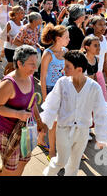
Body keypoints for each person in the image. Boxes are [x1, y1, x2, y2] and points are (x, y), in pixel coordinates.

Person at [40, 50, 107, 176]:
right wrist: (44, 124)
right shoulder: (62, 83)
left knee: (74, 164)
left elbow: (100, 112)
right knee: (61, 160)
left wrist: (102, 136)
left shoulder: (94, 87)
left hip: (83, 131)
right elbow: (52, 104)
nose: (63, 69)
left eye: (67, 67)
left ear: (79, 69)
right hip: (63, 129)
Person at [0, 45, 47, 176]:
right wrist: (17, 114)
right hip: (8, 131)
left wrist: (39, 121)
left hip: (26, 130)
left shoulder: (30, 77)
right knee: (9, 169)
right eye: (32, 64)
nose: (35, 68)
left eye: (36, 63)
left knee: (23, 161)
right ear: (20, 63)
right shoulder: (8, 84)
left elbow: (32, 103)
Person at [37, 23, 69, 160]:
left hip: (63, 89)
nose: (69, 39)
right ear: (58, 38)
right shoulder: (48, 53)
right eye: (66, 37)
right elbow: (42, 77)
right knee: (54, 121)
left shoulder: (66, 51)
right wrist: (45, 97)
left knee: (54, 119)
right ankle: (52, 151)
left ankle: (40, 137)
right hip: (50, 90)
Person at [87, 16, 107, 101]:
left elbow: (105, 60)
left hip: (100, 74)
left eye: (104, 25)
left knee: (102, 100)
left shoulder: (106, 39)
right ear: (93, 26)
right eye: (100, 25)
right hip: (89, 74)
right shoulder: (88, 39)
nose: (103, 27)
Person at [3, 6, 24, 76]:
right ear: (16, 13)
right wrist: (10, 38)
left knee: (14, 67)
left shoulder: (22, 23)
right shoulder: (10, 23)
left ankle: (8, 79)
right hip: (9, 48)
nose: (23, 15)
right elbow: (2, 35)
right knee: (11, 64)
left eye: (23, 13)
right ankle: (4, 77)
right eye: (21, 13)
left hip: (18, 48)